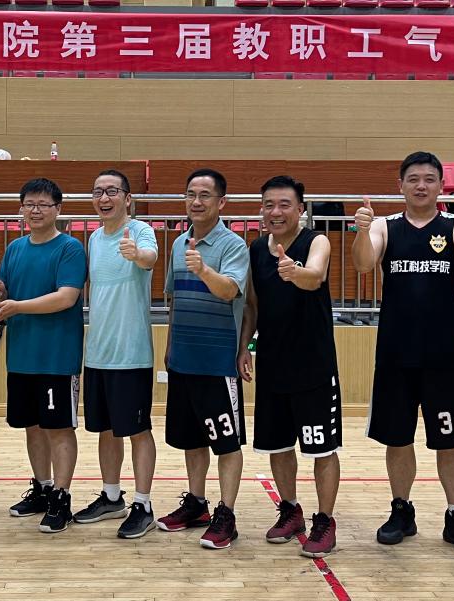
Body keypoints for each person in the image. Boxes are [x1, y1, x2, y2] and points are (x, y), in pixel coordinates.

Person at [352, 151, 454, 557]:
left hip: (444, 353)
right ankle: (401, 510)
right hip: (396, 352)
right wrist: (361, 231)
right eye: (413, 179)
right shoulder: (384, 225)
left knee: (451, 439)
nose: (421, 185)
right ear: (401, 186)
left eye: (429, 179)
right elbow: (363, 264)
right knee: (397, 437)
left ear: (441, 185)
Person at [237, 176, 341, 558]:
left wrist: (295, 271)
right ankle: (291, 510)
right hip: (272, 364)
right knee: (278, 446)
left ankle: (325, 520)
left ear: (300, 209)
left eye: (284, 204)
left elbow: (315, 276)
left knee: (322, 449)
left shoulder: (316, 241)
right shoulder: (255, 249)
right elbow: (253, 306)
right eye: (269, 205)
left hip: (313, 366)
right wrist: (247, 347)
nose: (275, 212)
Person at [156, 168, 249, 550]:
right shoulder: (179, 243)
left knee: (225, 444)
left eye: (205, 195)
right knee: (191, 439)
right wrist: (169, 347)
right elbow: (174, 299)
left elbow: (230, 291)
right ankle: (196, 504)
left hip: (217, 364)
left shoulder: (233, 245)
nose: (196, 201)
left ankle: (227, 514)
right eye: (191, 194)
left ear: (221, 202)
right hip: (183, 360)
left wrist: (204, 269)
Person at [0, 178, 86, 534]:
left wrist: (16, 306)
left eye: (43, 204)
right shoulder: (15, 248)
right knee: (32, 426)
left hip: (56, 357)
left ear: (58, 209)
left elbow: (66, 297)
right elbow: (8, 293)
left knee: (58, 428)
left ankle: (61, 496)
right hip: (22, 355)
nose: (35, 210)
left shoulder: (70, 248)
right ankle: (43, 488)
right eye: (29, 204)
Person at [74, 169, 159, 539]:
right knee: (106, 430)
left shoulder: (140, 231)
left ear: (127, 197)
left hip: (131, 353)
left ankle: (143, 504)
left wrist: (137, 254)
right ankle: (112, 497)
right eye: (97, 191)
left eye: (111, 191)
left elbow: (150, 257)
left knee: (137, 430)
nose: (104, 198)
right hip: (98, 352)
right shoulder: (94, 238)